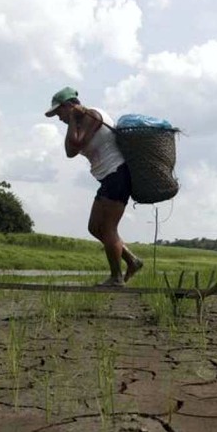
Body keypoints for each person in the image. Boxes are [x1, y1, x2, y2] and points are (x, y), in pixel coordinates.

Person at [45, 86, 143, 287]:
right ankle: (132, 261)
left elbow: (75, 145)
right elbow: (69, 152)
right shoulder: (80, 121)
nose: (59, 118)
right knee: (94, 228)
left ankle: (116, 278)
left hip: (117, 175)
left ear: (69, 106)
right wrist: (72, 120)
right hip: (109, 178)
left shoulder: (92, 116)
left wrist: (72, 119)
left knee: (108, 229)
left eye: (59, 112)